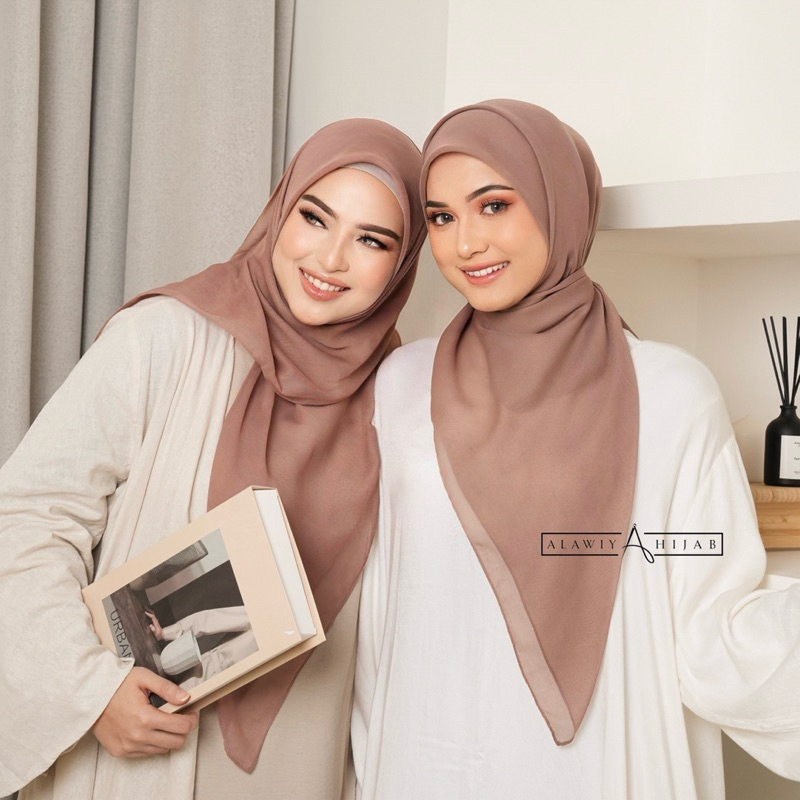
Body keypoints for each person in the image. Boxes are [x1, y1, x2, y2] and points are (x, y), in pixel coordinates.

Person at [351, 99, 800, 799]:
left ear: (559, 200)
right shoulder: (403, 383)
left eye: (493, 205)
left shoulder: (671, 393)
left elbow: (711, 633)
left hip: (595, 770)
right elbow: (379, 621)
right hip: (424, 761)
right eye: (440, 217)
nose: (465, 243)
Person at [0, 117, 425, 799]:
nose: (331, 258)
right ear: (281, 209)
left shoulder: (402, 398)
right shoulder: (164, 337)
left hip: (300, 763)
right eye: (314, 218)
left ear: (403, 264)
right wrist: (89, 692)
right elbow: (27, 518)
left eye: (371, 240)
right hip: (142, 747)